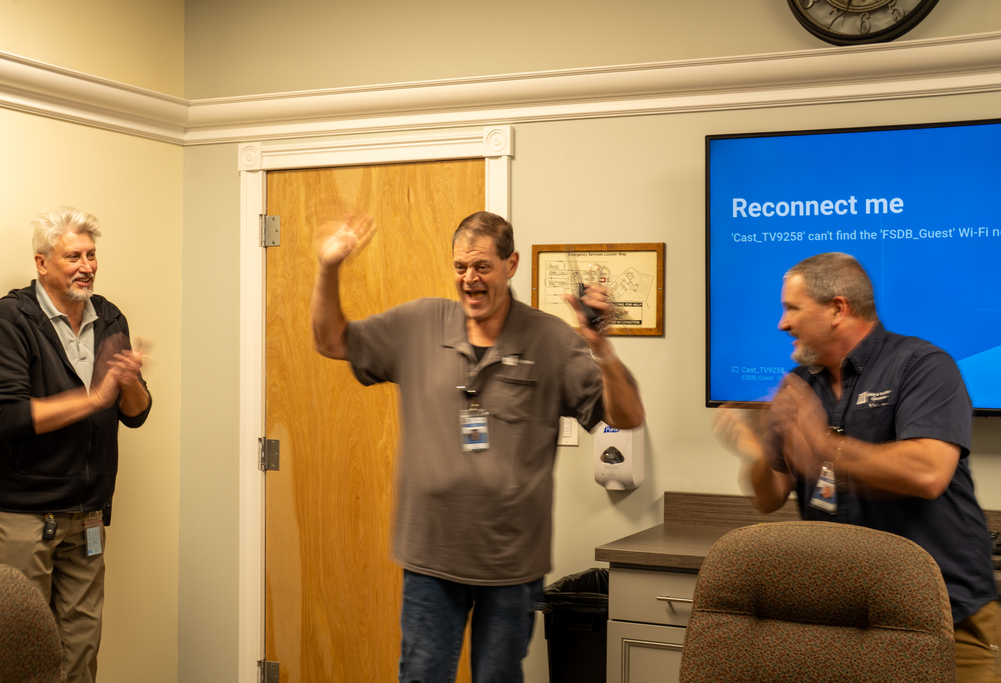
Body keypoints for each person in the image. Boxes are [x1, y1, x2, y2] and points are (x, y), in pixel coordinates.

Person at [311, 210, 644, 682]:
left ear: (511, 265)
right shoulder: (418, 323)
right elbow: (331, 340)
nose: (470, 279)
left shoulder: (549, 340)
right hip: (430, 555)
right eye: (461, 267)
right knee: (423, 675)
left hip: (511, 563)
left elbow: (626, 418)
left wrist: (602, 349)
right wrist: (329, 268)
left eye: (482, 266)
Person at [713, 252, 999, 682]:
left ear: (837, 309)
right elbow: (768, 497)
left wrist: (822, 444)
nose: (782, 324)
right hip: (846, 617)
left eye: (792, 308)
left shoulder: (921, 365)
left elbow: (928, 472)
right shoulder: (800, 385)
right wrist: (759, 448)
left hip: (943, 616)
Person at [0, 206, 152, 683]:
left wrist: (129, 381)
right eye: (73, 256)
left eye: (92, 255)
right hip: (23, 515)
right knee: (13, 649)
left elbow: (135, 414)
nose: (86, 266)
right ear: (41, 263)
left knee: (80, 645)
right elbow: (2, 416)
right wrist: (95, 396)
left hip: (88, 513)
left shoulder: (110, 317)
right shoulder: (10, 319)